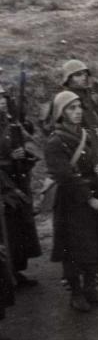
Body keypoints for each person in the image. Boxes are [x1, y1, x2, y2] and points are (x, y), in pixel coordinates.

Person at [45, 91, 98, 312]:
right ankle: (76, 293)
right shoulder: (55, 142)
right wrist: (90, 199)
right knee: (74, 248)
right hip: (72, 202)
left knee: (95, 243)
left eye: (78, 107)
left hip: (93, 195)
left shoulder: (87, 134)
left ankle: (90, 288)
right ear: (60, 113)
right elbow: (65, 176)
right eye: (71, 108)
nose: (77, 112)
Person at [0, 91, 41, 287]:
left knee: (18, 230)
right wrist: (9, 160)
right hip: (3, 185)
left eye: (2, 98)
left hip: (17, 184)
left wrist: (24, 153)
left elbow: (32, 145)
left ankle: (16, 271)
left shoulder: (12, 123)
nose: (0, 102)